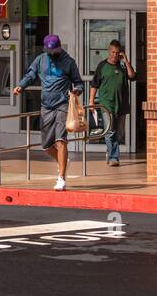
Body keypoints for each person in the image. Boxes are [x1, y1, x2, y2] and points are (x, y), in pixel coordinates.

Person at [13, 34, 83, 191]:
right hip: (46, 105)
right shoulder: (40, 60)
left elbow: (78, 82)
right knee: (46, 145)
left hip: (62, 104)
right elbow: (31, 75)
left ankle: (61, 178)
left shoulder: (69, 62)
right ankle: (62, 160)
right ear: (46, 49)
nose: (52, 54)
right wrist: (21, 86)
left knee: (61, 140)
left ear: (59, 47)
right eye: (49, 51)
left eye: (55, 50)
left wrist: (77, 90)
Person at [89, 40, 136, 167]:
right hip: (106, 104)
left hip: (121, 104)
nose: (114, 55)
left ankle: (109, 151)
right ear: (109, 51)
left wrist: (126, 61)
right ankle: (114, 157)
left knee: (119, 132)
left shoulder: (122, 66)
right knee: (110, 131)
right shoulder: (102, 66)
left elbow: (132, 76)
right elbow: (94, 85)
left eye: (117, 53)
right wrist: (91, 101)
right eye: (112, 52)